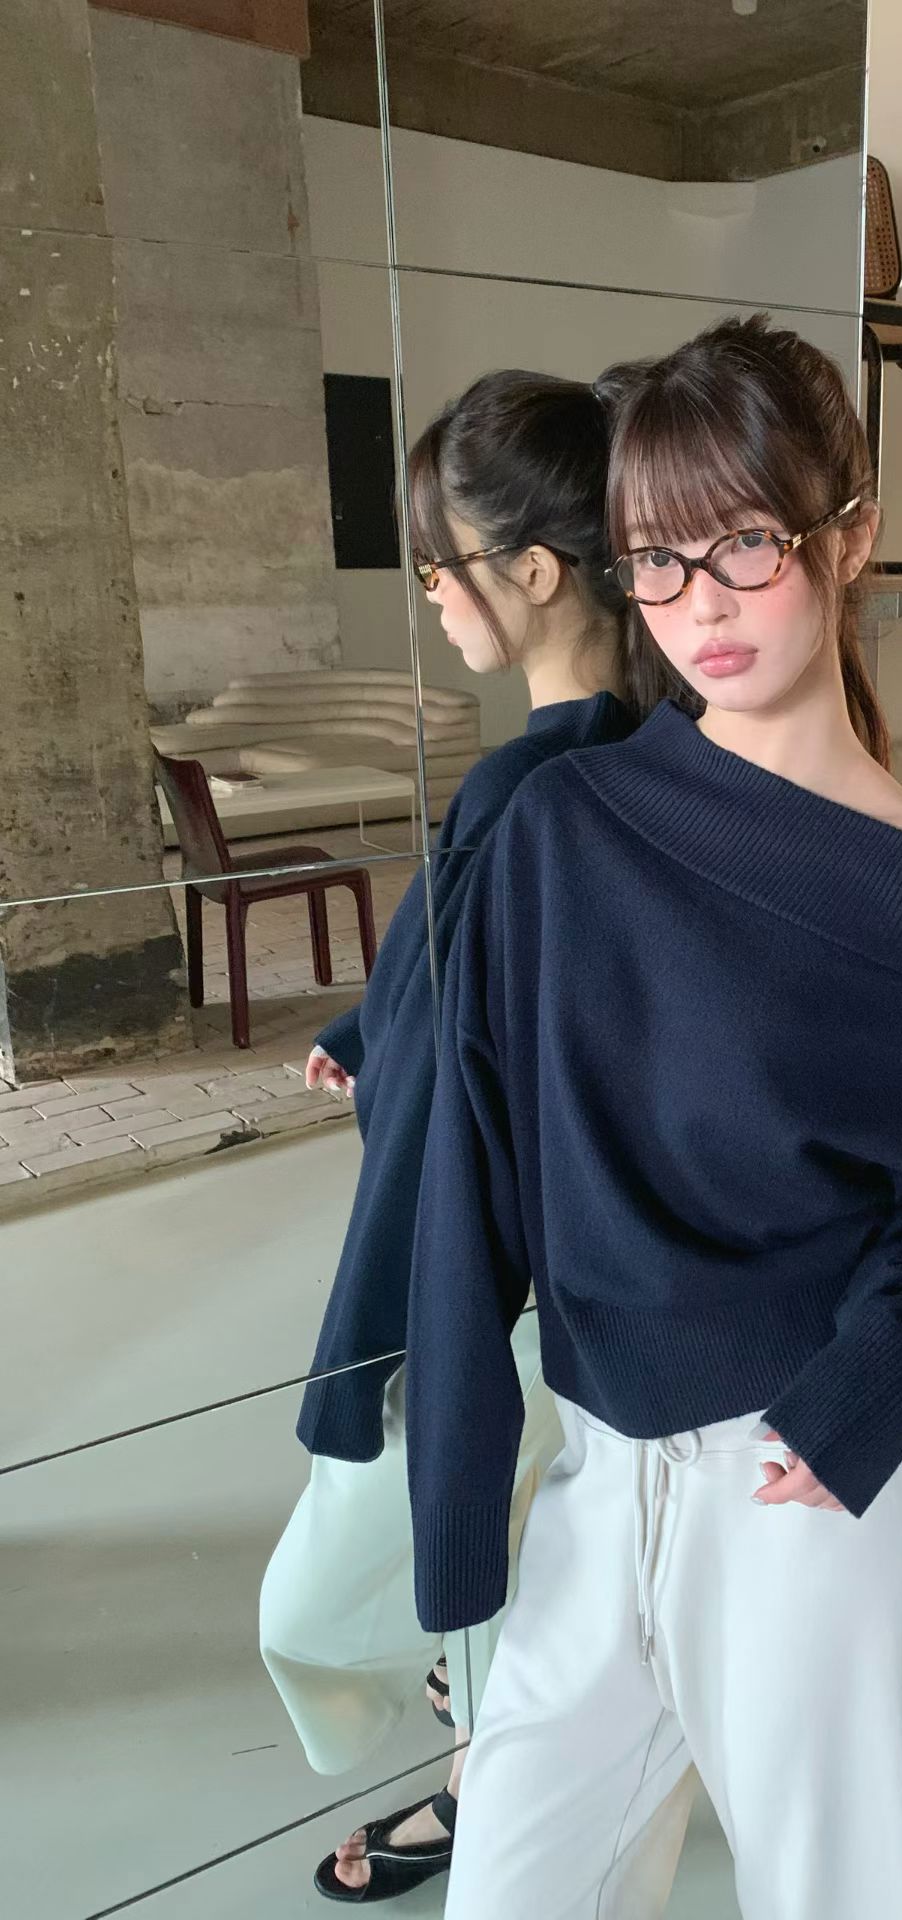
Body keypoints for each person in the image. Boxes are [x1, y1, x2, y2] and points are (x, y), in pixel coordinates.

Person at [405, 315, 902, 1919]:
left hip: (810, 1481)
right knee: (513, 1887)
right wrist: (448, 1480)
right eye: (655, 560)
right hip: (597, 1466)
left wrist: (860, 1404)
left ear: (851, 538)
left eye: (744, 546)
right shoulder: (562, 825)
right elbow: (466, 1156)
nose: (698, 605)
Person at [257, 368, 639, 1902]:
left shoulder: (535, 791)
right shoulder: (608, 763)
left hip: (507, 1264)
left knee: (375, 1569)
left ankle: (486, 1781)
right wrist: (376, 1033)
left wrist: (397, 1062)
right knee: (511, 1540)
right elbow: (468, 979)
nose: (429, 589)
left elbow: (495, 1019)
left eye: (442, 559)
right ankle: (482, 1739)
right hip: (568, 1255)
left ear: (533, 572)